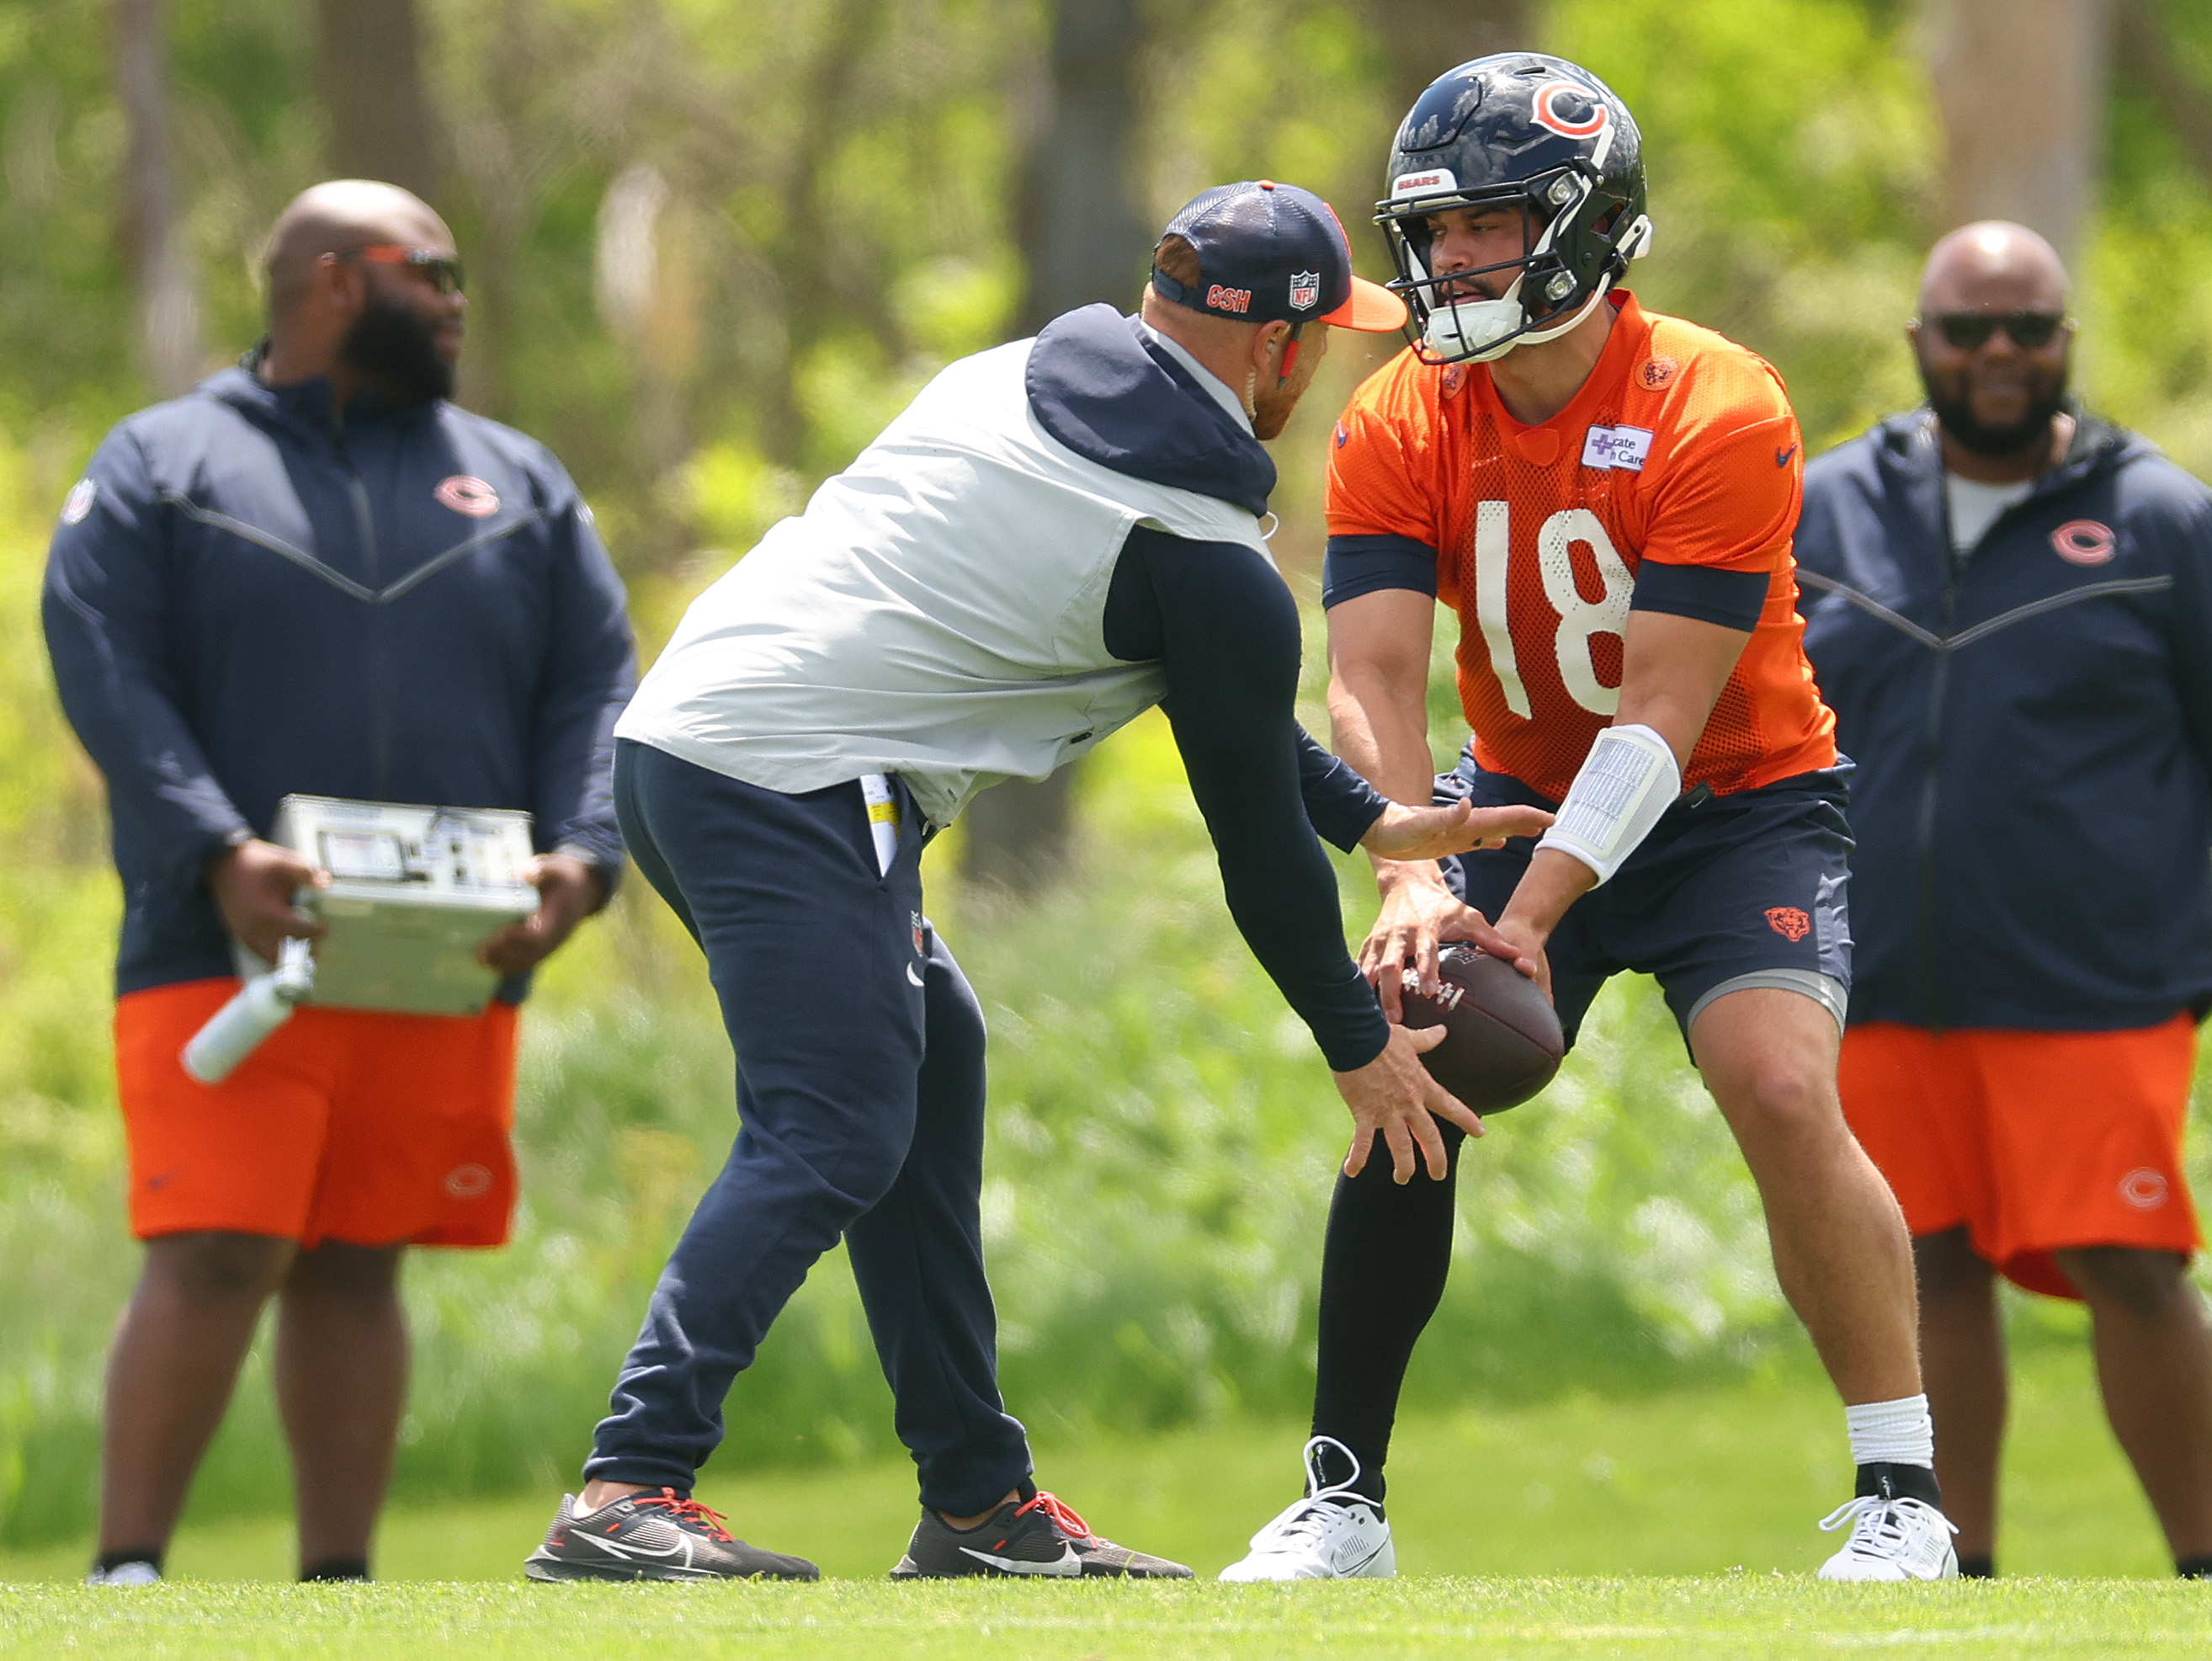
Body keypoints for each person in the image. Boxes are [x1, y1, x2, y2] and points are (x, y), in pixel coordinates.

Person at [520, 179, 1553, 1584]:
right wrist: (1358, 1042)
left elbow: (1228, 716)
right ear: (1283, 350)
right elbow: (1249, 832)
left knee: (927, 1056)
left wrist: (1372, 820)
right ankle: (627, 1486)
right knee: (831, 1124)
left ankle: (977, 1507)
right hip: (793, 780)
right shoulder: (1200, 548)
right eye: (1320, 349)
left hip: (693, 741)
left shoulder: (1006, 376)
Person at [1218, 55, 1955, 1585]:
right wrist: (1413, 865)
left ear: (1590, 224)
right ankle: (1342, 1500)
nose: (1455, 257)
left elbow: (1663, 720)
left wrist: (1533, 916)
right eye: (1438, 226)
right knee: (1406, 1059)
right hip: (1502, 793)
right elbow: (1368, 668)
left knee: (1773, 1081)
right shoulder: (1400, 413)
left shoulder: (1717, 397)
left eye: (1492, 222)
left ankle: (1904, 1495)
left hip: (1734, 799)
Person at [43, 180, 637, 1585]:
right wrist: (213, 847)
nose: (455, 300)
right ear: (329, 278)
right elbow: (102, 662)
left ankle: (338, 1592)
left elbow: (595, 685)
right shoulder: (161, 463)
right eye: (428, 271)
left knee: (366, 1251)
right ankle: (128, 1575)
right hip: (228, 940)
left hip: (452, 948)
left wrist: (584, 858)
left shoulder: (521, 481)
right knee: (218, 1242)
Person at [1792, 222, 2212, 1579]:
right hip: (1878, 966)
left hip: (2093, 978)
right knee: (1928, 1269)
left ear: (2067, 341)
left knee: (2126, 1258)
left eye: (2029, 328)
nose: (1999, 354)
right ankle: (1965, 1582)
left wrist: (2106, 862)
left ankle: (2210, 1577)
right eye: (1970, 329)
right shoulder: (1822, 508)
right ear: (1920, 344)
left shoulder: (2166, 520)